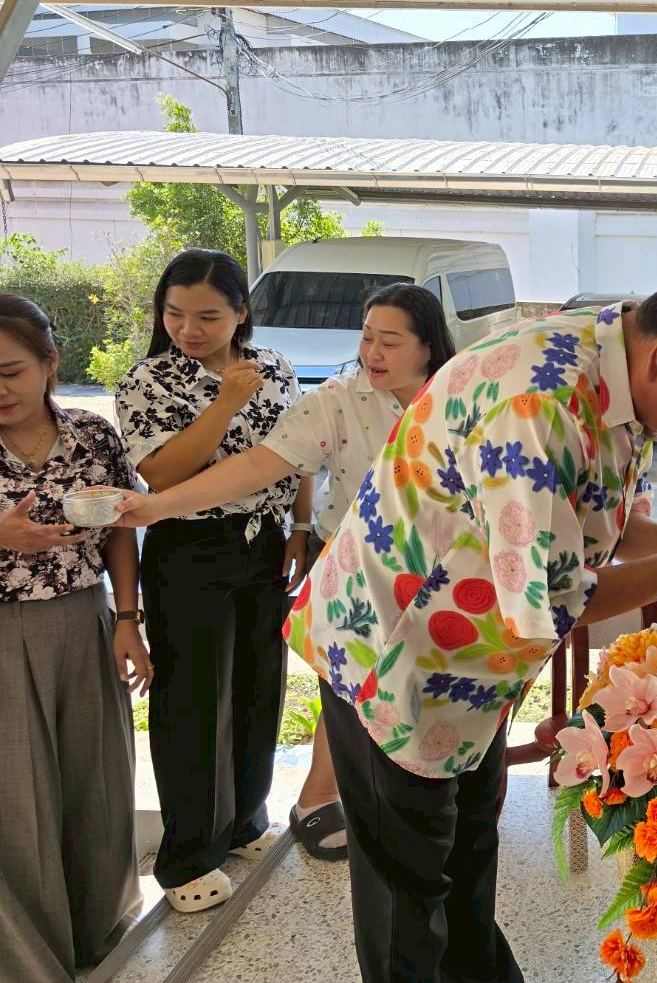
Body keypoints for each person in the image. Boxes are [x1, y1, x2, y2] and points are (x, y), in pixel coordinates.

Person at [287, 248, 657, 983]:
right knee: (409, 897)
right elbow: (550, 599)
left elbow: (584, 515)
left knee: (465, 862)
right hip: (394, 656)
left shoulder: (607, 360)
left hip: (466, 666)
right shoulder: (539, 401)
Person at [115, 282, 455, 863]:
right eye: (367, 337)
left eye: (390, 342)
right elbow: (259, 464)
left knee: (427, 689)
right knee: (349, 688)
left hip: (446, 571)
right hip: (357, 564)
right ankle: (317, 798)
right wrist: (155, 506)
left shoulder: (460, 396)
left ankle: (415, 793)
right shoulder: (340, 399)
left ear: (428, 347)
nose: (372, 352)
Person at [114, 249, 312, 913]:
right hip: (189, 545)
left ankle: (244, 822)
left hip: (266, 540)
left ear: (241, 313)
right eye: (174, 314)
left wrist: (303, 527)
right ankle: (187, 858)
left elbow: (301, 449)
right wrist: (224, 404)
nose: (188, 330)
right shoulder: (146, 380)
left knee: (259, 684)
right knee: (193, 701)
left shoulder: (276, 367)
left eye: (206, 316)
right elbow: (165, 475)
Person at [0, 294, 151, 980]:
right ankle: (33, 958)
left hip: (83, 616)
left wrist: (127, 619)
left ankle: (100, 929)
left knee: (97, 778)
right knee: (16, 794)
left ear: (49, 364)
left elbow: (122, 523)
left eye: (10, 372)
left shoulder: (93, 434)